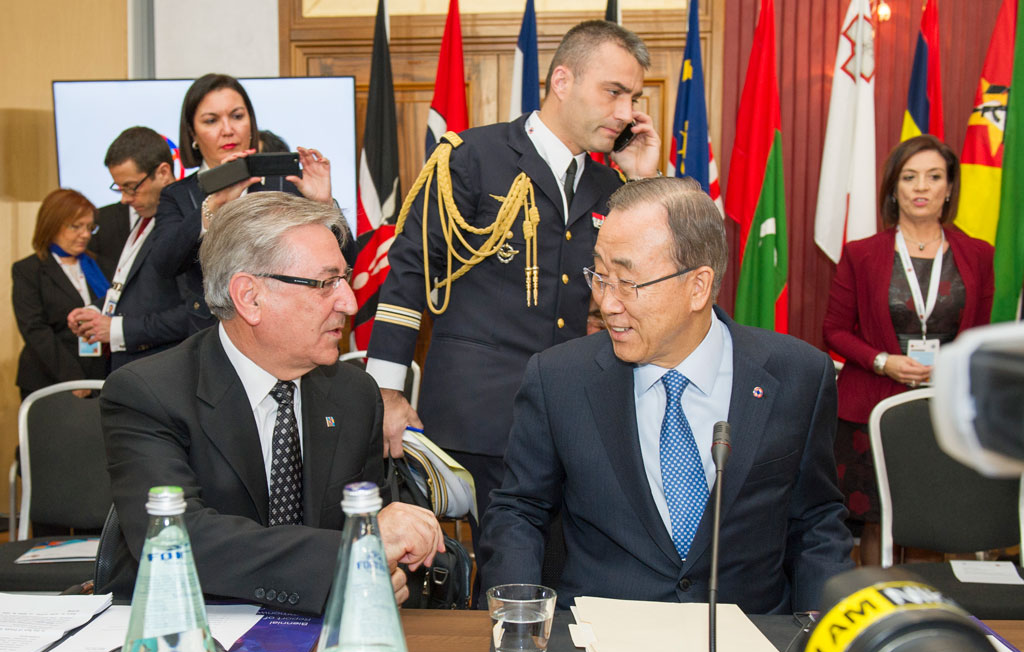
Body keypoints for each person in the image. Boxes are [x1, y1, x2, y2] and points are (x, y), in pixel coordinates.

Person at [478, 178, 853, 614]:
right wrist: (519, 622)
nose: (606, 303)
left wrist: (825, 646)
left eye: (628, 281)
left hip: (747, 641)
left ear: (698, 286)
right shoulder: (559, 377)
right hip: (601, 642)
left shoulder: (797, 376)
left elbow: (817, 524)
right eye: (600, 276)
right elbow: (518, 512)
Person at [366, 20, 662, 540]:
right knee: (483, 582)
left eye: (633, 97)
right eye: (613, 92)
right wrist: (387, 393)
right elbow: (409, 274)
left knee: (557, 575)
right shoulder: (472, 157)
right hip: (477, 419)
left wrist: (642, 182)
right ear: (562, 81)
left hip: (572, 420)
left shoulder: (608, 183)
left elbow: (656, 280)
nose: (626, 112)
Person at [100, 192, 444, 614]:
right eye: (326, 283)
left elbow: (373, 534)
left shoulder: (355, 395)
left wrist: (380, 574)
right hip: (186, 627)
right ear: (249, 297)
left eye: (345, 279)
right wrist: (352, 558)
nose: (350, 302)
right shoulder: (148, 393)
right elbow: (176, 535)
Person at [822, 134, 994, 565]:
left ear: (949, 188)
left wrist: (952, 367)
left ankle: (927, 620)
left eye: (933, 177)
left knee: (933, 520)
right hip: (873, 410)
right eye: (910, 177)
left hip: (944, 408)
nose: (921, 187)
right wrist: (883, 361)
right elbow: (834, 330)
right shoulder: (862, 254)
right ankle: (879, 618)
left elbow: (980, 333)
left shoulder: (978, 255)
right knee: (877, 521)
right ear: (894, 188)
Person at [149, 73, 342, 335]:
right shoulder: (179, 194)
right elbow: (164, 264)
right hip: (209, 333)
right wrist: (212, 207)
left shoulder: (285, 184)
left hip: (284, 329)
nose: (227, 129)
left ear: (251, 123)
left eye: (237, 116)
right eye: (211, 120)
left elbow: (343, 263)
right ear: (193, 133)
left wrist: (323, 204)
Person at [67, 126, 190, 371]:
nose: (124, 199)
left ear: (163, 172)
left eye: (131, 187)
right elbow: (136, 292)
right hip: (133, 370)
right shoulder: (145, 217)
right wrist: (95, 311)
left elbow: (194, 314)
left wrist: (116, 329)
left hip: (164, 370)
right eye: (119, 188)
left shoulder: (185, 223)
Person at [13, 189, 110, 399]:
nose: (85, 234)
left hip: (100, 376)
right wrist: (72, 377)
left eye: (89, 227)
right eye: (76, 226)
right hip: (51, 379)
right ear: (52, 225)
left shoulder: (102, 266)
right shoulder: (28, 270)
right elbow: (35, 330)